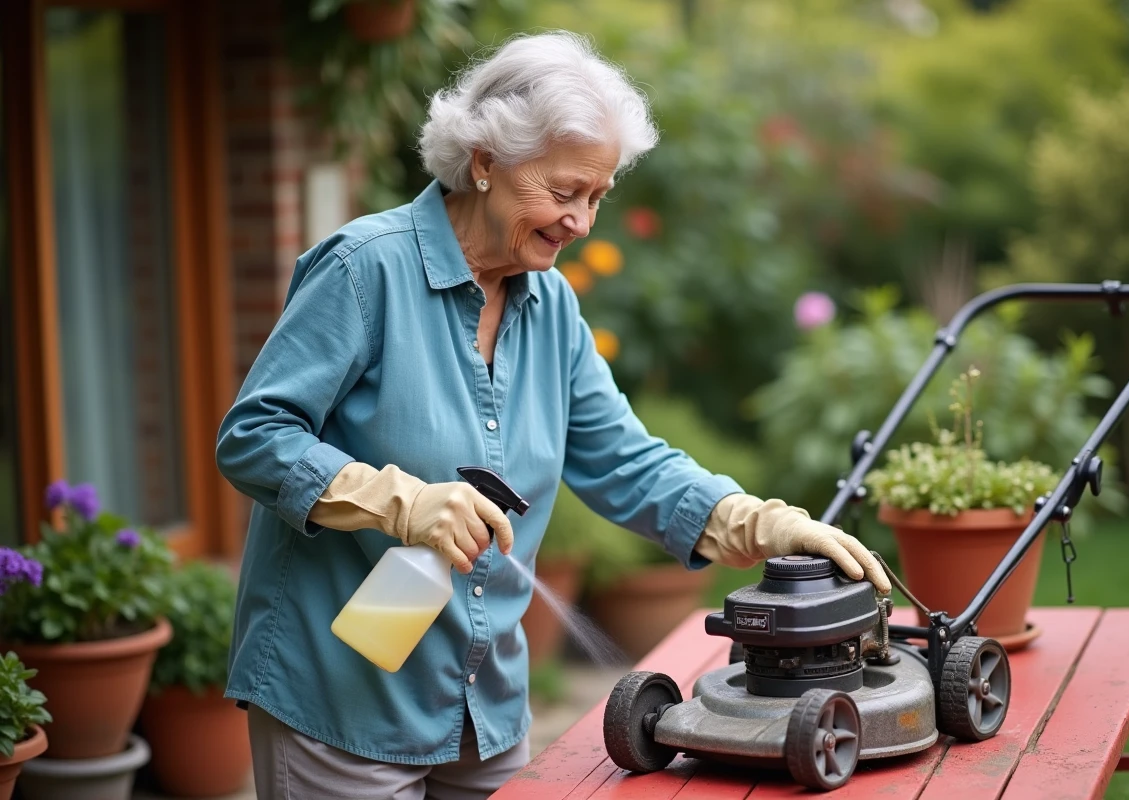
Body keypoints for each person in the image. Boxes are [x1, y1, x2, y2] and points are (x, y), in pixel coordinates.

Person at [215, 30, 890, 800]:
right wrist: (401, 503)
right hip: (343, 702)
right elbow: (254, 437)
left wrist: (758, 522)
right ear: (485, 162)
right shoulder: (365, 270)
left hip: (484, 708)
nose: (582, 222)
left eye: (597, 198)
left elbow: (626, 461)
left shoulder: (552, 306)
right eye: (565, 192)